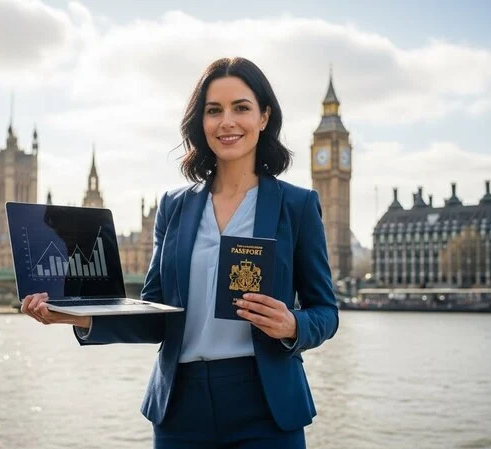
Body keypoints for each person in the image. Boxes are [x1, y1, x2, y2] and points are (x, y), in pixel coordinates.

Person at [21, 57, 339, 449]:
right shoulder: (174, 206)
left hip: (267, 405)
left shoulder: (297, 205)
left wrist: (293, 326)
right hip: (179, 408)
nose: (227, 122)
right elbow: (156, 316)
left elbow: (326, 311)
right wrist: (77, 316)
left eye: (241, 107)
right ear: (200, 123)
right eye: (213, 110)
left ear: (264, 116)